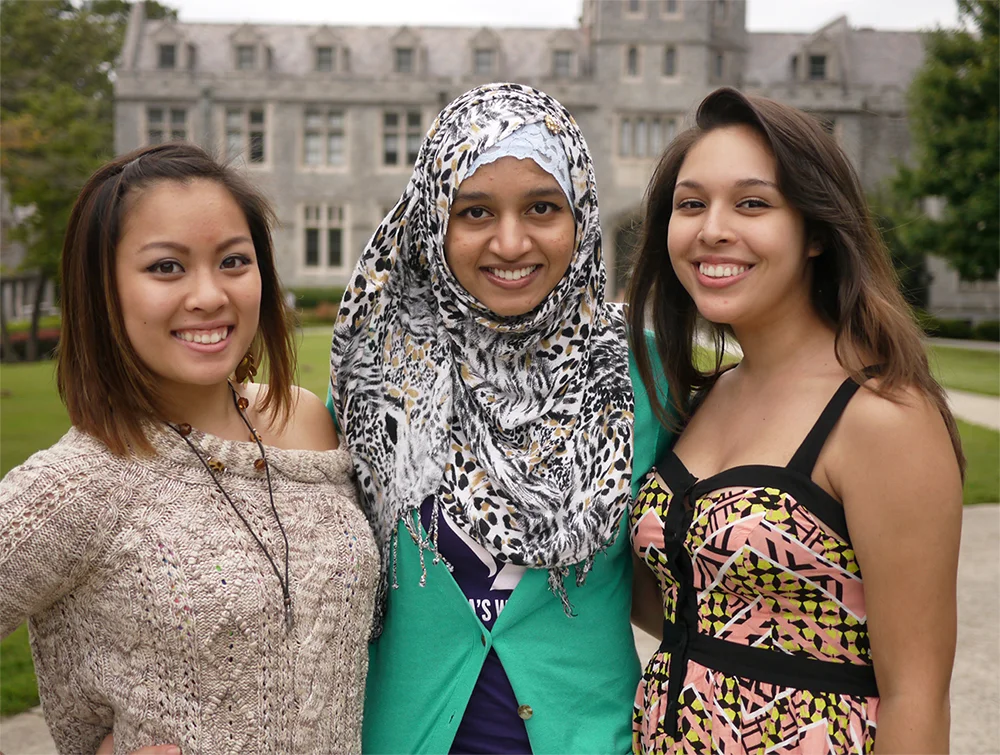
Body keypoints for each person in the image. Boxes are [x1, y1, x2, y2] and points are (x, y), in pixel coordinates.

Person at [0, 142, 378, 754]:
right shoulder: (82, 481)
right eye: (166, 268)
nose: (209, 295)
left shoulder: (304, 419)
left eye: (233, 260)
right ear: (103, 287)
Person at [329, 82, 672, 754]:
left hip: (591, 737)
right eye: (475, 211)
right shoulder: (376, 378)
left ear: (581, 215)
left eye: (542, 207)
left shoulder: (644, 374)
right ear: (433, 221)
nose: (510, 242)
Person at [626, 87, 964, 753]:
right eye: (691, 204)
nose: (712, 228)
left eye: (752, 203)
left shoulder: (882, 416)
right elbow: (679, 597)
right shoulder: (706, 395)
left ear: (814, 231)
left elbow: (916, 696)